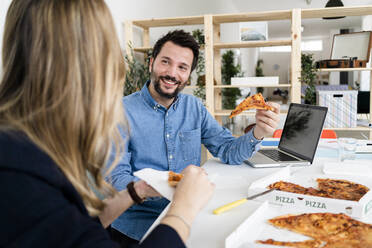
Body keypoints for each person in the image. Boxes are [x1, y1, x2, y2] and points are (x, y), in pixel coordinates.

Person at [0, 1, 214, 247]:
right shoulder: (19, 171)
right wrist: (184, 208)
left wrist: (138, 191)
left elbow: (71, 229)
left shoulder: (31, 148)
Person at [110, 30, 280, 243]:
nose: (172, 73)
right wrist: (171, 186)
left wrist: (258, 133)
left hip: (188, 218)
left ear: (188, 74)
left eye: (182, 67)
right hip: (136, 228)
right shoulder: (119, 111)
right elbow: (117, 180)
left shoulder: (194, 108)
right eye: (165, 62)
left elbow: (228, 151)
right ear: (151, 63)